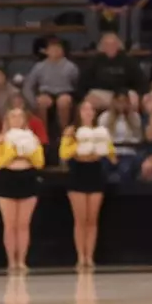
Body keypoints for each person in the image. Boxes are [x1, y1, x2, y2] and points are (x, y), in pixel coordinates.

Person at [61, 96, 117, 270]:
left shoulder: (100, 132)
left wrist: (102, 151)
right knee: (80, 219)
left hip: (95, 174)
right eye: (84, 109)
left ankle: (90, 256)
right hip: (78, 173)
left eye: (90, 109)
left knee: (92, 219)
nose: (88, 112)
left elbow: (112, 156)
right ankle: (80, 256)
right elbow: (64, 154)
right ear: (79, 112)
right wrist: (77, 147)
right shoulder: (71, 131)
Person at [0, 105, 45, 271]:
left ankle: (22, 260)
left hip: (27, 178)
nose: (16, 119)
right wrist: (14, 152)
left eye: (19, 116)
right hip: (7, 179)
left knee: (23, 224)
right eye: (12, 116)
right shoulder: (0, 139)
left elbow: (39, 162)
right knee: (10, 224)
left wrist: (28, 153)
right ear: (7, 120)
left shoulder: (32, 139)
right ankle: (11, 261)